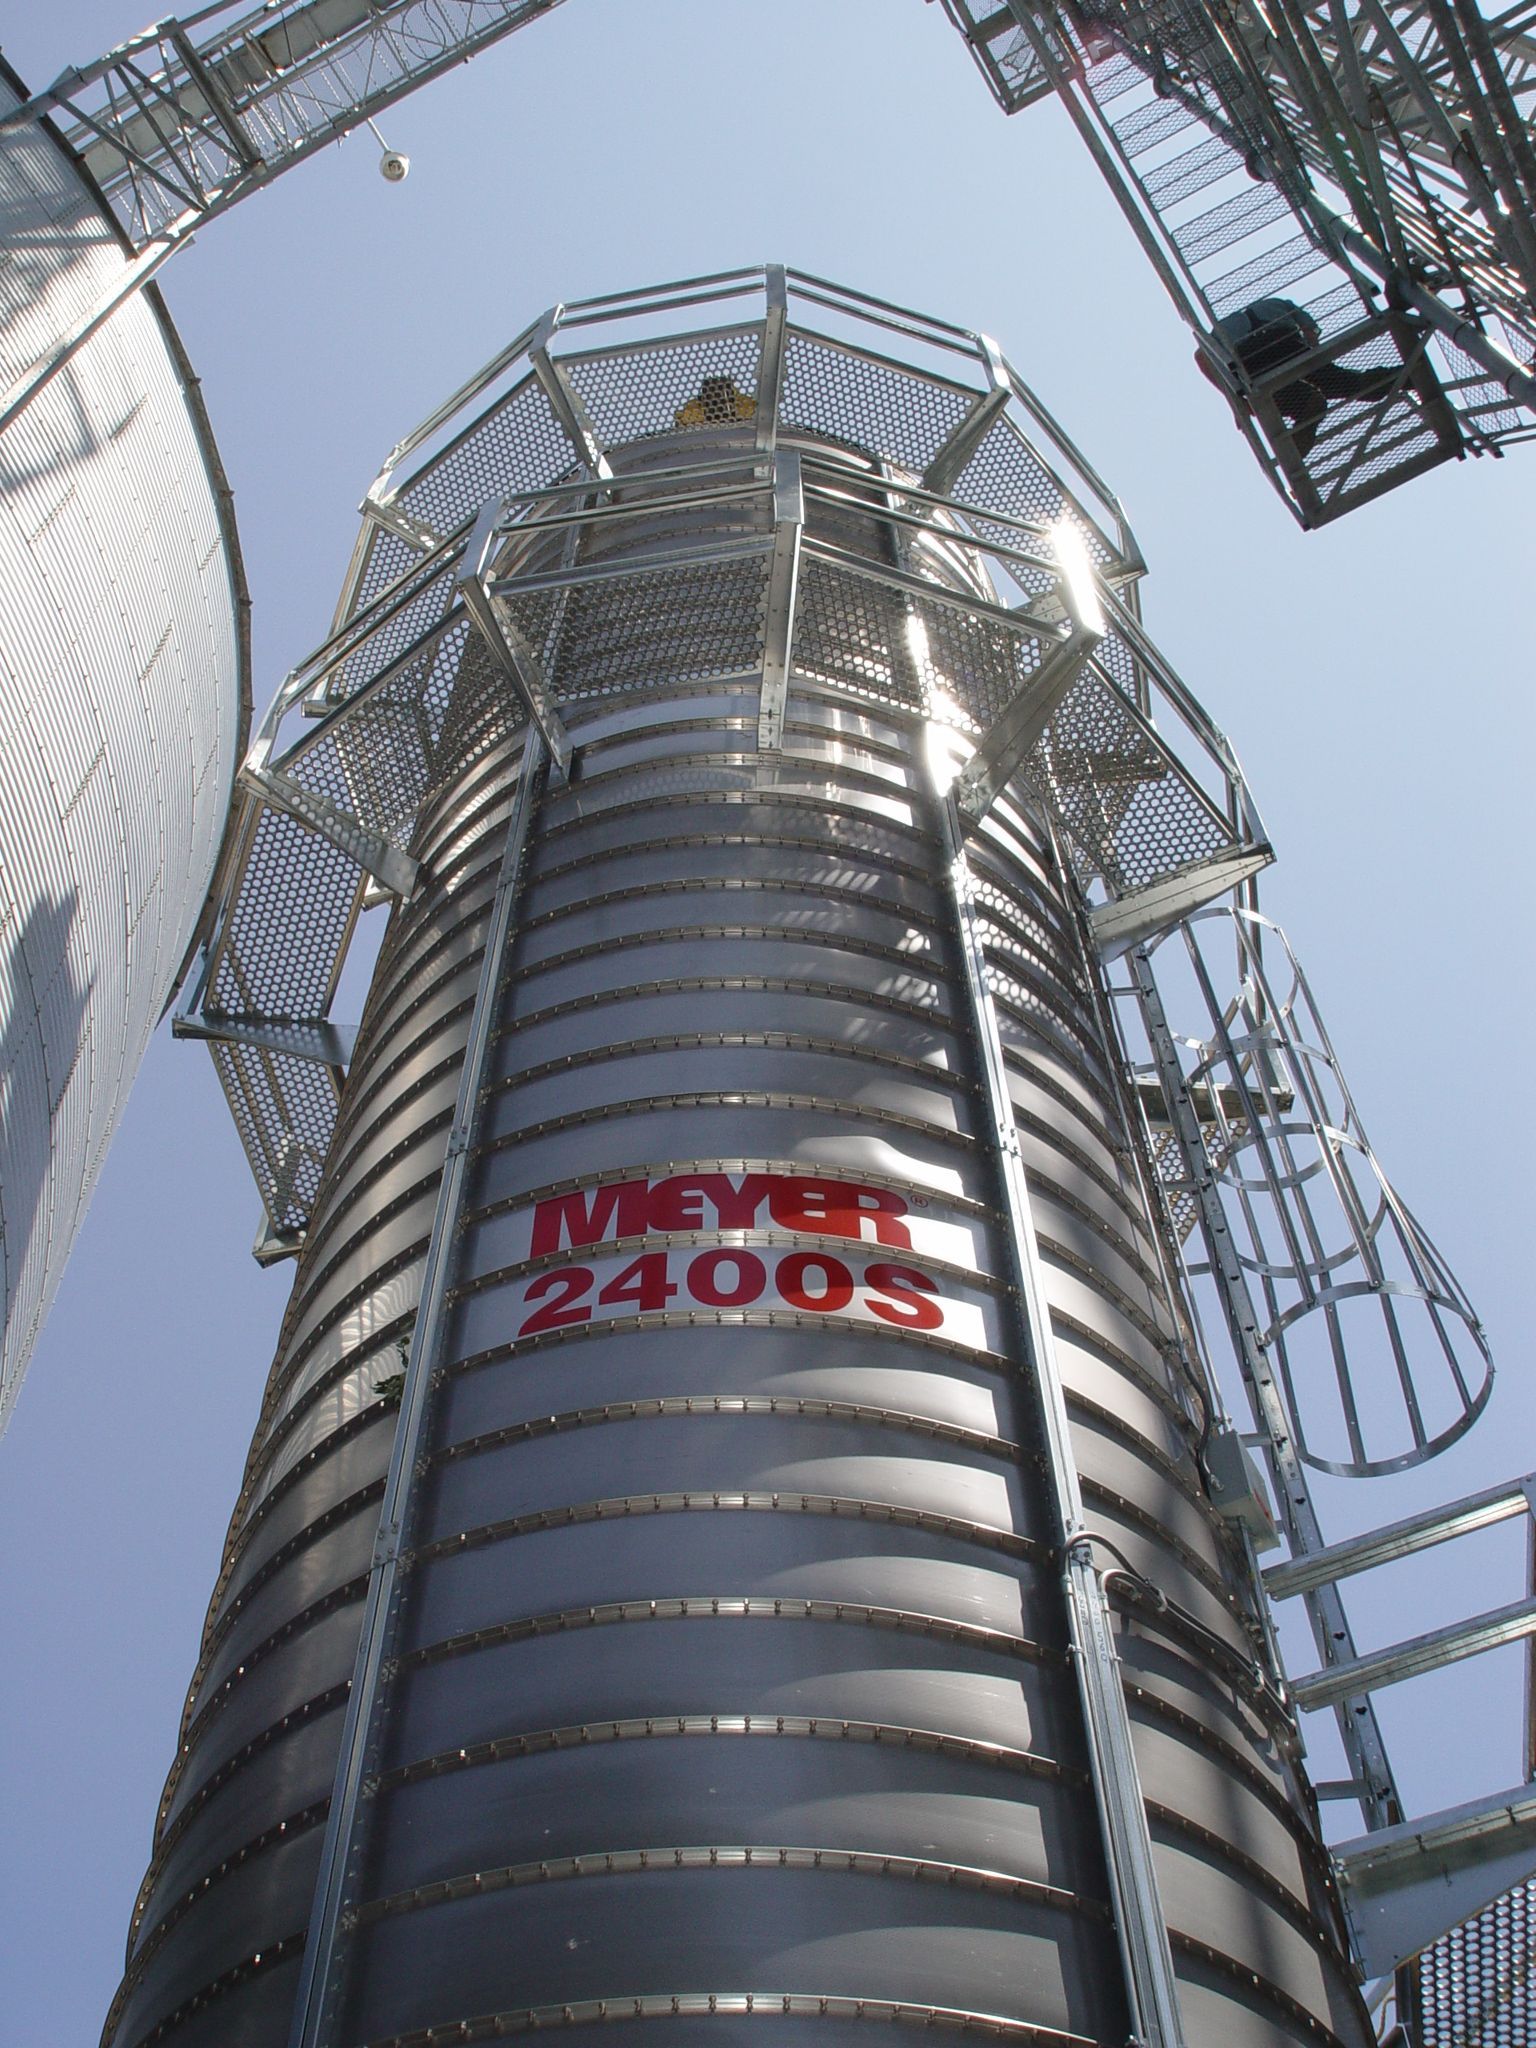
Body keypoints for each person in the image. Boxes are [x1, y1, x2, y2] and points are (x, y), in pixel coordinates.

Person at [1197, 297, 1401, 458]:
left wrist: (1235, 400)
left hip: (1252, 363)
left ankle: (1295, 457)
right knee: (1349, 384)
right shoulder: (1277, 303)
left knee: (1308, 404)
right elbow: (1310, 332)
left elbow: (1201, 356)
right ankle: (1400, 377)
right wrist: (1317, 359)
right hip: (1288, 346)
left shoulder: (1220, 330)